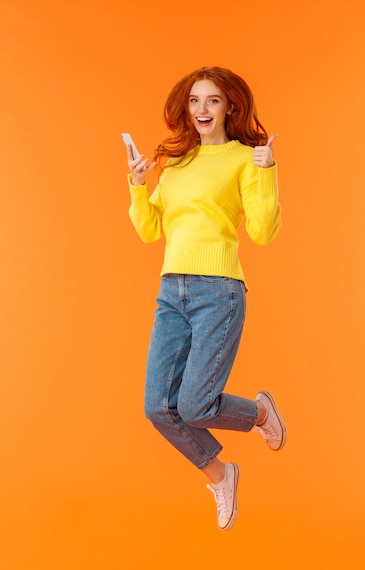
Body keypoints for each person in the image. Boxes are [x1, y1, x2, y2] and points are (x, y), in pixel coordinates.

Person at [124, 66, 287, 531]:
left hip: (219, 291)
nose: (202, 110)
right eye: (195, 101)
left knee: (195, 405)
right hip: (170, 290)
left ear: (230, 106)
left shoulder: (245, 158)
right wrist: (137, 184)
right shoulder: (175, 162)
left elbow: (263, 231)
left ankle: (258, 412)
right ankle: (220, 474)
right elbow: (150, 229)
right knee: (158, 406)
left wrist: (268, 173)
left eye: (212, 101)